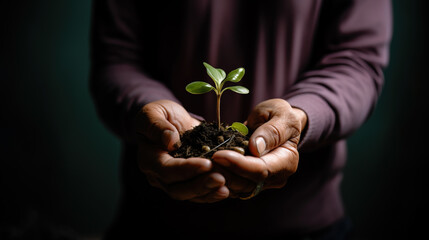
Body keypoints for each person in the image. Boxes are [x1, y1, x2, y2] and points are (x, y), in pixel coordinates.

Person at [90, 0, 391, 239]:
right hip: (153, 222)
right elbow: (117, 57)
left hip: (304, 225)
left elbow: (356, 59)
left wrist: (299, 117)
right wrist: (149, 112)